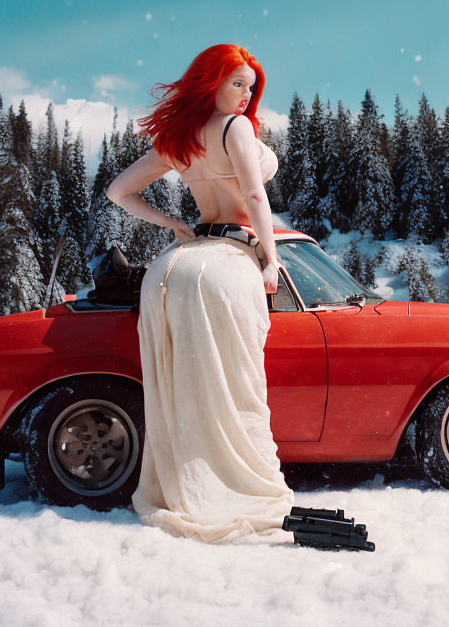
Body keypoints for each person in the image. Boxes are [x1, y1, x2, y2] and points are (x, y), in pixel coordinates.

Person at [105, 43, 296, 545]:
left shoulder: (181, 137)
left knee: (176, 382)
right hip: (231, 254)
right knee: (237, 382)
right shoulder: (236, 129)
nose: (244, 95)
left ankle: (180, 484)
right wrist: (272, 259)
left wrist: (172, 224)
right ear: (210, 80)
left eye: (249, 87)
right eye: (236, 83)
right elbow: (256, 196)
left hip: (171, 267)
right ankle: (232, 483)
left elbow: (117, 192)